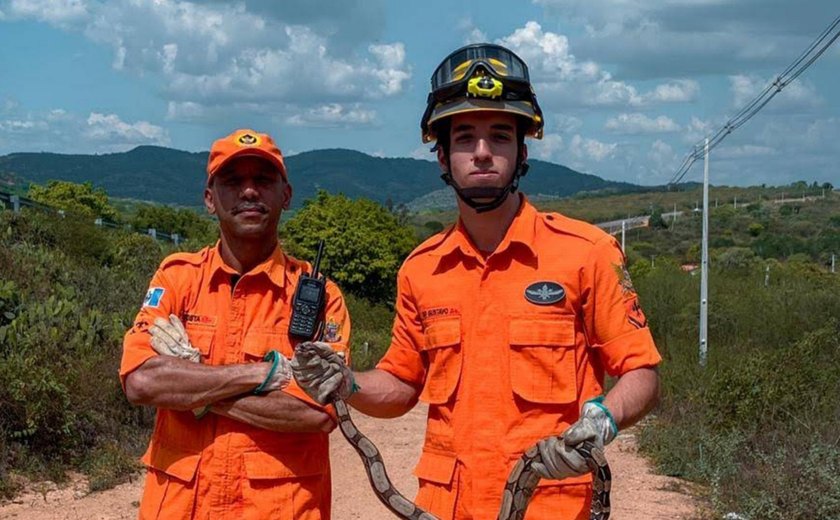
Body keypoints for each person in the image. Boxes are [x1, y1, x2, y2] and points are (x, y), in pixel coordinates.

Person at [292, 43, 661, 520]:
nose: (483, 153)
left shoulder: (585, 252)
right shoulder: (421, 269)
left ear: (522, 151)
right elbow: (402, 385)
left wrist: (603, 420)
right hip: (447, 507)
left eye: (500, 137)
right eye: (465, 138)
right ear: (441, 156)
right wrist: (347, 383)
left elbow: (642, 374)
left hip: (552, 503)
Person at [120, 129, 350, 519]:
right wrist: (263, 373)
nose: (248, 192)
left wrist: (193, 389)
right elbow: (141, 381)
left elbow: (316, 413)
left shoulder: (320, 294)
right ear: (210, 199)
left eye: (262, 180)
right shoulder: (177, 278)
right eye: (232, 181)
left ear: (286, 195)